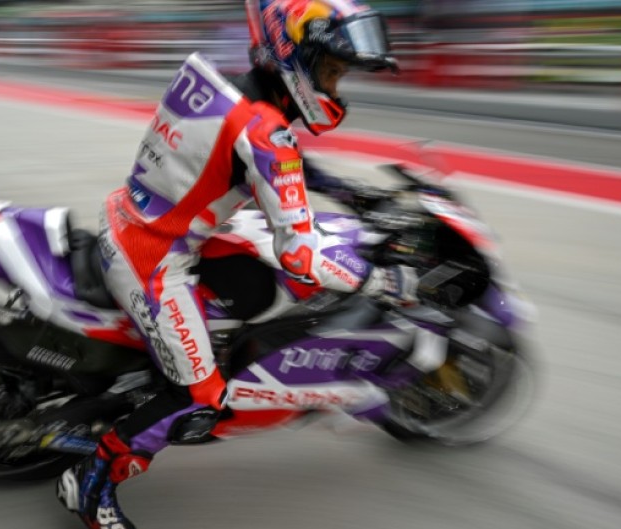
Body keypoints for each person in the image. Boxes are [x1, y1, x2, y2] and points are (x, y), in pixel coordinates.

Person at [56, 2, 417, 528]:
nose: (336, 88)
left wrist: (348, 190)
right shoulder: (267, 134)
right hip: (154, 258)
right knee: (201, 398)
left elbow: (265, 155)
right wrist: (382, 279)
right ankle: (92, 483)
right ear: (295, 58)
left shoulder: (216, 84)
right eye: (332, 71)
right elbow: (301, 251)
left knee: (252, 280)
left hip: (134, 215)